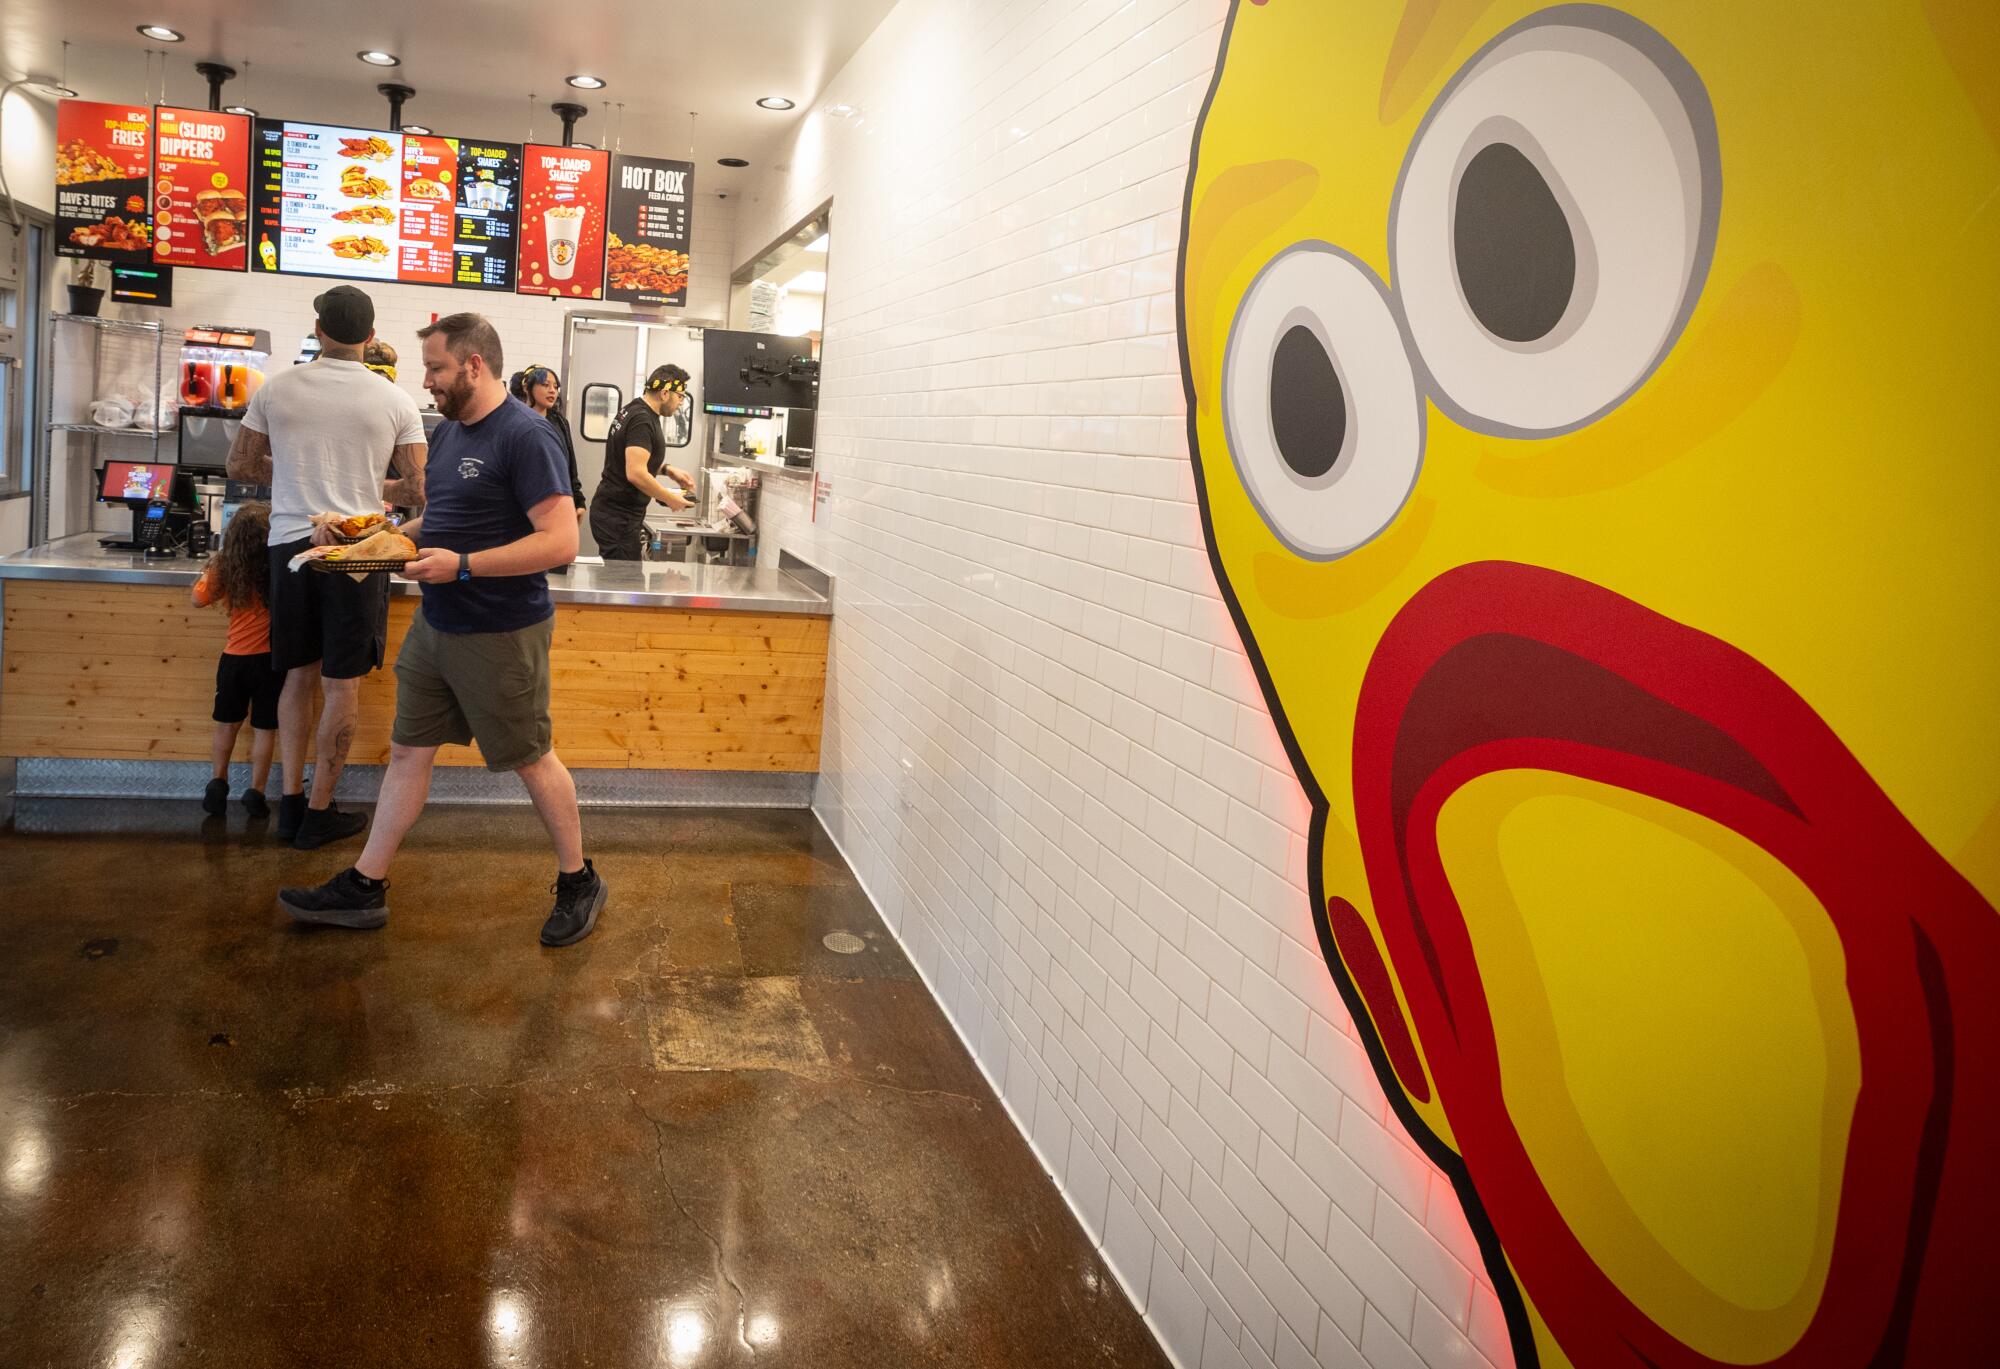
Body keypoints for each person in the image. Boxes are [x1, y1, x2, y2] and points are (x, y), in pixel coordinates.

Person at [280, 313, 608, 947]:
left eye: (435, 368)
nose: (425, 381)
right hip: (438, 625)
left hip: (501, 630)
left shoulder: (527, 435)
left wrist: (463, 567)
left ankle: (579, 879)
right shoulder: (452, 433)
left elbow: (561, 540)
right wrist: (369, 541)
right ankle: (366, 886)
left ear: (473, 366)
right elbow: (440, 520)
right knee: (408, 751)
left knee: (530, 758)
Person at [227, 285, 428, 849]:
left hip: (289, 545)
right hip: (355, 556)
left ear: (318, 330)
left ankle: (289, 803)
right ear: (371, 336)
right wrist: (366, 486)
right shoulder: (397, 401)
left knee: (296, 675)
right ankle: (319, 812)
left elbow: (240, 462)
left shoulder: (277, 388)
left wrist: (295, 475)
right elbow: (417, 489)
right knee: (341, 686)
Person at [192, 502, 282, 819]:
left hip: (234, 660)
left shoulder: (225, 568)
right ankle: (256, 793)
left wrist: (208, 570)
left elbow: (197, 599)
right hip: (270, 662)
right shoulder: (278, 569)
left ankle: (218, 782)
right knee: (265, 729)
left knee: (226, 725)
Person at [588, 365, 696, 560]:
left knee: (619, 582)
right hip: (618, 517)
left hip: (615, 514)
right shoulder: (642, 419)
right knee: (623, 584)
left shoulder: (634, 410)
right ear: (665, 393)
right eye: (680, 396)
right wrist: (669, 498)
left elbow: (630, 457)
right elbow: (636, 473)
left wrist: (667, 470)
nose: (681, 402)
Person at [511, 365, 586, 521]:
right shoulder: (513, 422)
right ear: (527, 387)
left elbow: (569, 465)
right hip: (520, 507)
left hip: (555, 503)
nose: (552, 390)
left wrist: (578, 500)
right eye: (545, 385)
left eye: (556, 386)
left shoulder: (560, 422)